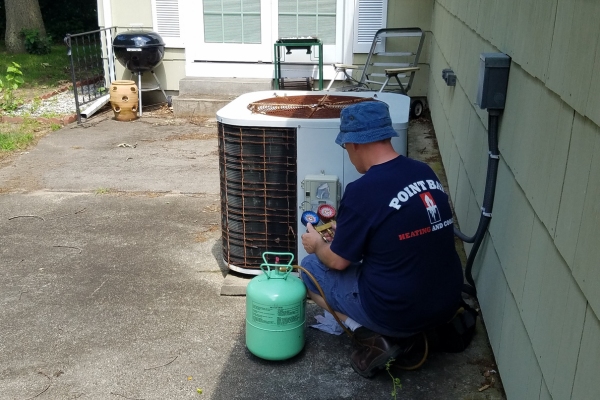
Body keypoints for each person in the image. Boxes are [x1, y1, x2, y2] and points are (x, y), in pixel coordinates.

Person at [300, 100, 464, 378]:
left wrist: (318, 245)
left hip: (397, 312)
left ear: (354, 144)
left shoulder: (362, 190)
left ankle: (373, 336)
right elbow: (398, 234)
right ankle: (412, 331)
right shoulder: (424, 172)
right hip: (446, 303)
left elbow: (338, 262)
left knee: (310, 268)